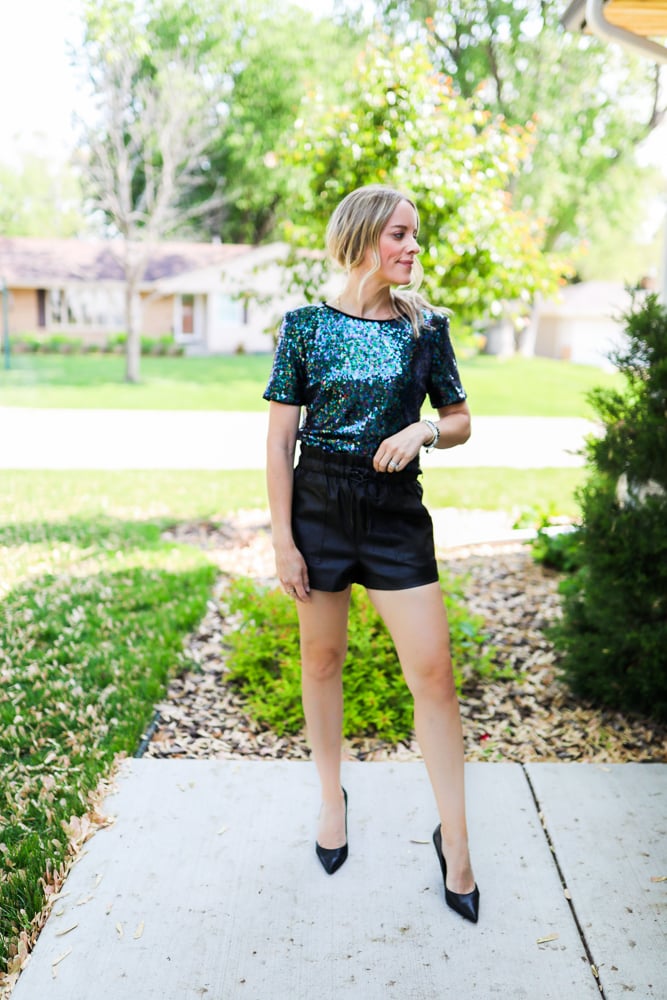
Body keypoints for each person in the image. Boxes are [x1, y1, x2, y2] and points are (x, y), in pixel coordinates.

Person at [263, 184, 479, 923]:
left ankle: (455, 841)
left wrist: (423, 432)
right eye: (398, 234)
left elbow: (459, 420)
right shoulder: (304, 328)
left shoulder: (426, 327)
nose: (412, 247)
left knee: (434, 676)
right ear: (360, 239)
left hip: (395, 516)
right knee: (320, 661)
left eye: (414, 235)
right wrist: (283, 539)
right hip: (319, 506)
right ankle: (332, 800)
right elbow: (277, 442)